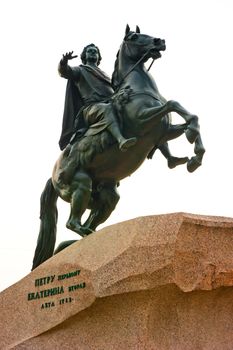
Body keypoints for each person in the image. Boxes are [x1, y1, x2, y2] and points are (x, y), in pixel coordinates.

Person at [58, 44, 137, 152]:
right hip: (91, 109)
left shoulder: (106, 75)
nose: (92, 52)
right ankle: (121, 140)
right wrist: (63, 62)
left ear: (99, 57)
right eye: (89, 51)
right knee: (106, 109)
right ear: (84, 56)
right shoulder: (80, 70)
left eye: (95, 51)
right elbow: (65, 71)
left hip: (110, 102)